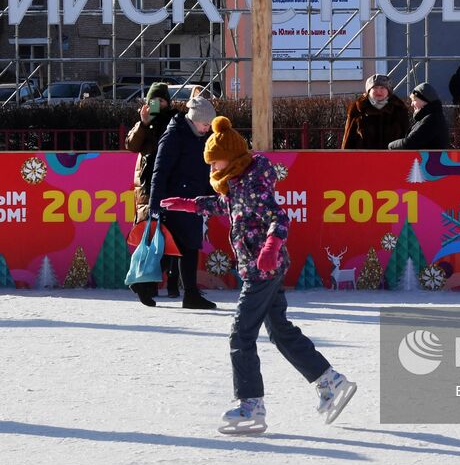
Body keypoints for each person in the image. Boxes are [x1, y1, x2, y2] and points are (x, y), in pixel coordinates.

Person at [160, 116, 356, 435]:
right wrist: (189, 205)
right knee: (280, 331)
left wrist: (270, 247)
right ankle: (330, 381)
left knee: (241, 334)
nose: (212, 168)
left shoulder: (251, 184)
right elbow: (225, 206)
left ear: (231, 157)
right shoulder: (237, 183)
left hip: (262, 269)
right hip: (265, 268)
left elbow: (279, 218)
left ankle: (250, 404)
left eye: (215, 161)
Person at [148, 91, 218, 309]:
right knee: (181, 247)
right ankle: (149, 285)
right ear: (195, 119)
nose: (208, 128)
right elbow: (160, 170)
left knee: (185, 247)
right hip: (175, 200)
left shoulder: (198, 136)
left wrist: (212, 194)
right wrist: (155, 203)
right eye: (205, 124)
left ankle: (186, 293)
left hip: (192, 199)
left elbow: (202, 170)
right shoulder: (175, 135)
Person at [123, 83, 177, 306]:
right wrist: (143, 123)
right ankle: (145, 285)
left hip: (170, 186)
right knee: (152, 241)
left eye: (161, 100)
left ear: (168, 102)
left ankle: (151, 284)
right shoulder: (145, 124)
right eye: (153, 101)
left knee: (171, 242)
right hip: (148, 190)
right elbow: (131, 145)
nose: (158, 105)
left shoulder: (175, 120)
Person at [342, 74, 409, 149]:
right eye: (375, 87)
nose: (378, 91)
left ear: (388, 90)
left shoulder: (399, 108)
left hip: (392, 155)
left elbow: (405, 138)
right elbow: (348, 138)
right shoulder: (358, 108)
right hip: (364, 156)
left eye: (382, 88)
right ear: (369, 90)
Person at [388, 82, 450, 150]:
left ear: (425, 101)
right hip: (428, 157)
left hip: (431, 157)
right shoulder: (430, 117)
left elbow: (409, 143)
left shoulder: (432, 119)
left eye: (414, 100)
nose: (411, 104)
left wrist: (390, 145)